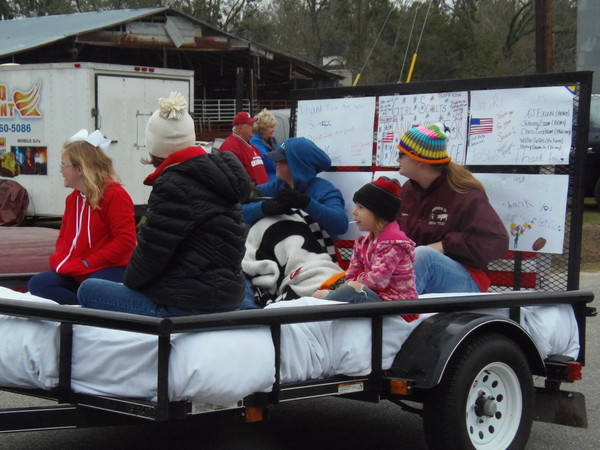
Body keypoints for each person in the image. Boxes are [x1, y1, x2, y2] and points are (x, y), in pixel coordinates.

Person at [77, 92, 250, 317]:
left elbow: (150, 256)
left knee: (89, 290)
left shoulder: (173, 185)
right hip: (229, 296)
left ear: (153, 148)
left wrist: (132, 283)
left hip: (188, 306)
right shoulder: (221, 177)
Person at [396, 124, 509, 294]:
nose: (398, 159)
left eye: (401, 154)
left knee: (424, 255)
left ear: (418, 160)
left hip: (466, 278)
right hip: (418, 273)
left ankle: (395, 316)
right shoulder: (408, 190)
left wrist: (444, 245)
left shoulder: (464, 194)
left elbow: (497, 242)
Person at [28, 129, 137, 305]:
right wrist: (60, 259)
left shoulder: (115, 195)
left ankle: (86, 314)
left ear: (80, 168)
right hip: (78, 269)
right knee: (38, 284)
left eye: (64, 165)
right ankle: (83, 313)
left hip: (111, 268)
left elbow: (125, 241)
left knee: (91, 288)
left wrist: (88, 263)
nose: (61, 171)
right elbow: (63, 236)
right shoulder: (73, 199)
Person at [313, 177, 419, 321]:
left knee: (353, 289)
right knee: (319, 294)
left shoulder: (393, 243)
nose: (354, 212)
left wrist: (357, 279)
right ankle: (312, 311)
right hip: (377, 297)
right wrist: (357, 279)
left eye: (361, 207)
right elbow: (350, 275)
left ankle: (313, 319)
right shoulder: (362, 242)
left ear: (379, 212)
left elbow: (377, 281)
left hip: (399, 305)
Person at [242, 137, 348, 241]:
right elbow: (240, 211)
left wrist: (305, 202)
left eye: (281, 159)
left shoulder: (324, 190)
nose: (275, 163)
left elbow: (341, 225)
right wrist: (263, 207)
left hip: (317, 254)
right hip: (279, 253)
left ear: (298, 165)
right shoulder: (275, 186)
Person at [219, 111, 269, 185]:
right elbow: (234, 177)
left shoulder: (252, 147)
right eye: (250, 124)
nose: (253, 127)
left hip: (262, 192)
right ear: (240, 128)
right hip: (251, 194)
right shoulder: (230, 147)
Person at [250, 108, 279, 181]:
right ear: (262, 127)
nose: (274, 130)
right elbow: (269, 163)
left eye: (274, 126)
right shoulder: (254, 142)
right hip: (267, 180)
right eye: (271, 127)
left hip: (276, 177)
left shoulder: (273, 140)